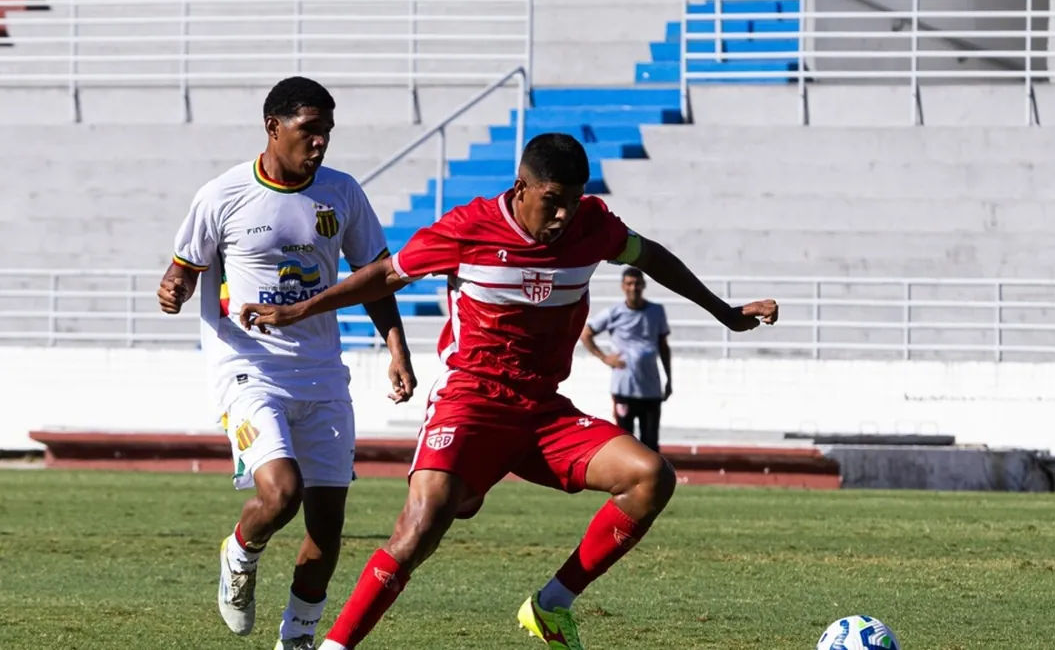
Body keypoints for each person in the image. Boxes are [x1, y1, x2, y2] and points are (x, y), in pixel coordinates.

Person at [239, 133, 778, 650]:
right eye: (552, 202)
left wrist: (724, 312)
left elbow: (651, 256)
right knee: (420, 527)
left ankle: (552, 603)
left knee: (650, 477)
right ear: (522, 189)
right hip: (470, 402)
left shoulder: (593, 226)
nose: (564, 215)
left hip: (544, 412)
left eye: (574, 201)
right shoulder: (468, 228)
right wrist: (296, 310)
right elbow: (384, 275)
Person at [157, 76, 417, 650]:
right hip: (248, 367)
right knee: (282, 492)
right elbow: (183, 267)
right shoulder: (221, 196)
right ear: (272, 128)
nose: (320, 142)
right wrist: (173, 287)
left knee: (327, 526)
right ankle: (240, 552)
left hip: (323, 371)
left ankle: (297, 636)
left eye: (326, 131)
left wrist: (396, 347)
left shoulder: (343, 193)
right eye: (309, 130)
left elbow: (376, 276)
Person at [580, 267, 671, 452]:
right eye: (629, 283)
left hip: (650, 388)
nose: (633, 287)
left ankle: (653, 479)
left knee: (650, 442)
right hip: (624, 388)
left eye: (637, 283)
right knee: (625, 440)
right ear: (623, 286)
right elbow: (586, 334)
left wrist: (669, 379)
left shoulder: (656, 311)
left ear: (643, 285)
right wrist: (604, 358)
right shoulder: (614, 312)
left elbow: (663, 346)